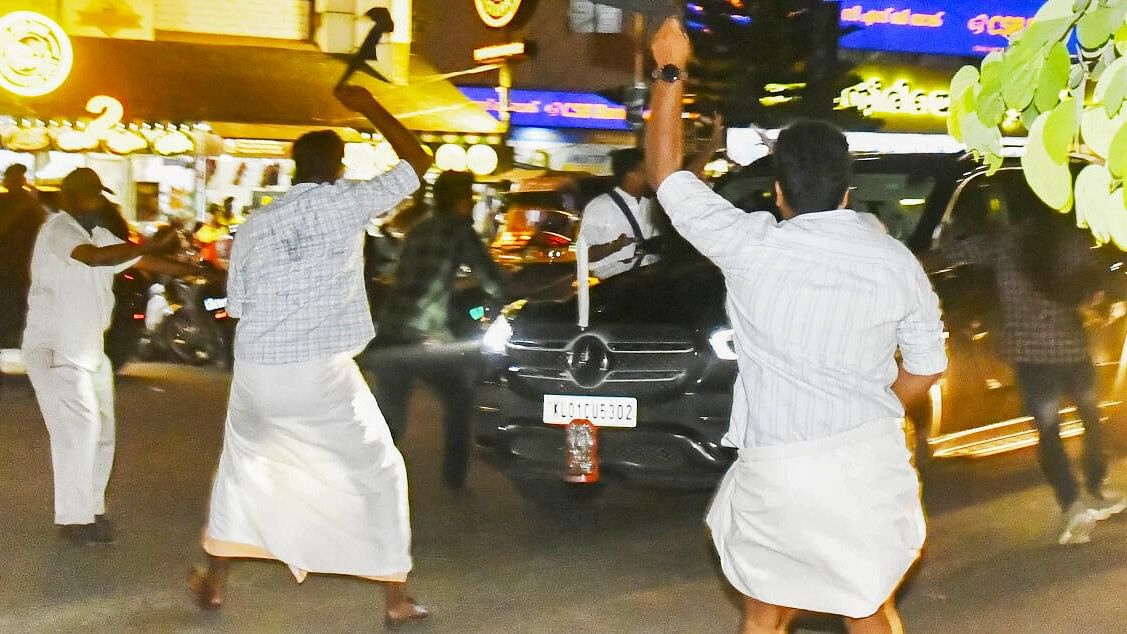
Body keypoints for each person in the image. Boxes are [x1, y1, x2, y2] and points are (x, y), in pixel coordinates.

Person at [646, 18, 947, 633]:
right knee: (870, 608)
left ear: (778, 191)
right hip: (868, 461)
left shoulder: (751, 246)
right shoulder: (895, 261)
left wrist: (670, 69)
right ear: (848, 191)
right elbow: (927, 365)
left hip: (779, 468)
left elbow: (667, 176)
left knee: (764, 613)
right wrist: (872, 409)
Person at [189, 84, 433, 626]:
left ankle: (213, 583)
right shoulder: (346, 203)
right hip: (318, 370)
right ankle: (394, 599)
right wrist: (367, 104)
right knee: (381, 470)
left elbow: (240, 303)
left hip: (255, 369)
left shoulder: (256, 223)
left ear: (294, 167)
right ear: (339, 167)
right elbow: (418, 160)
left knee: (240, 472)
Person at [928, 189, 1125, 545]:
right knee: (1091, 419)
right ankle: (1098, 485)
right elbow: (1091, 283)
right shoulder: (1070, 239)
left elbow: (952, 253)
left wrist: (947, 236)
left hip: (1032, 357)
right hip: (1071, 348)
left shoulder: (1004, 242)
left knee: (1049, 433)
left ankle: (1072, 505)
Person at [21, 167, 193, 545]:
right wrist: (147, 245)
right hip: (56, 347)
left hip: (88, 350)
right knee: (78, 433)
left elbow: (138, 262)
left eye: (98, 194)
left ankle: (91, 509)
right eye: (88, 195)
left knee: (102, 434)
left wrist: (192, 270)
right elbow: (95, 259)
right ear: (69, 198)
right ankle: (74, 519)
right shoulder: (59, 229)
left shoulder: (100, 234)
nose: (95, 202)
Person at [365, 169, 506, 489]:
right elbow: (492, 281)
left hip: (392, 330)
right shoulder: (459, 231)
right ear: (461, 200)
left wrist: (451, 285)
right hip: (427, 335)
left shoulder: (419, 229)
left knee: (390, 414)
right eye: (469, 198)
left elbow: (412, 277)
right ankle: (454, 478)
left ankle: (369, 478)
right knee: (459, 398)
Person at [577, 147, 662, 279]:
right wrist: (613, 247)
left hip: (647, 283)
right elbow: (584, 254)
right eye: (646, 171)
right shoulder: (600, 206)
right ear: (631, 174)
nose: (652, 176)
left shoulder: (650, 205)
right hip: (613, 288)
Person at [0, 164, 46, 349]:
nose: (20, 182)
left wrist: (33, 204)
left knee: (20, 305)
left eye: (22, 178)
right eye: (15, 178)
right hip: (6, 266)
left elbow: (45, 226)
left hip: (24, 267)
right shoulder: (4, 202)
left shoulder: (31, 203)